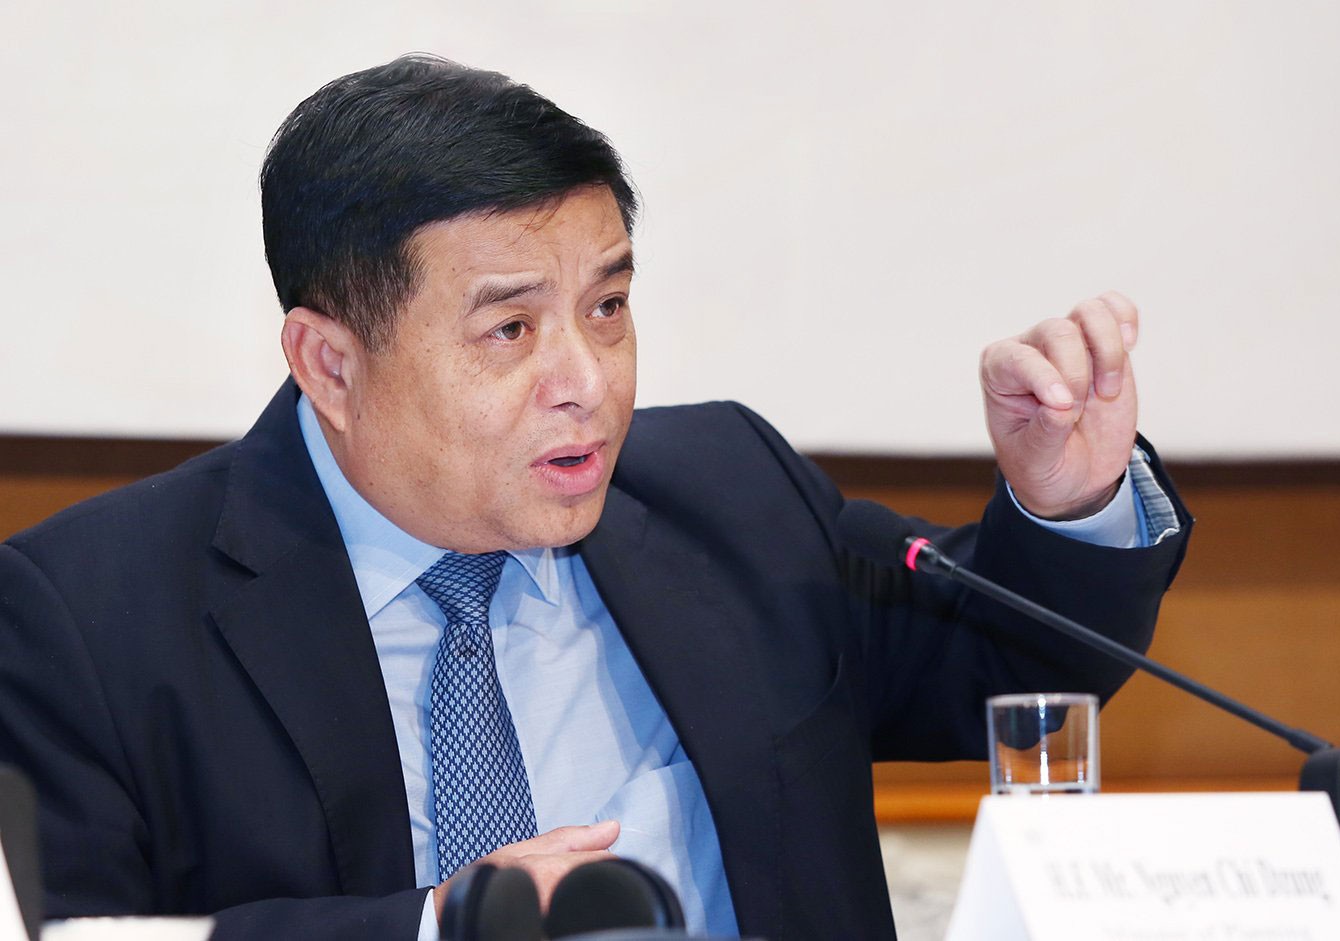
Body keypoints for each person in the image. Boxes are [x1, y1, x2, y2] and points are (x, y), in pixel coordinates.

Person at [0, 55, 1190, 940]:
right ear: (331, 364)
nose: (588, 381)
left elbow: (1006, 665)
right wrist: (439, 928)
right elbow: (78, 935)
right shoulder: (92, 616)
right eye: (510, 328)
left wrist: (1066, 496)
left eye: (608, 307)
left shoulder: (730, 493)